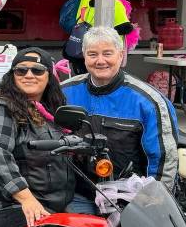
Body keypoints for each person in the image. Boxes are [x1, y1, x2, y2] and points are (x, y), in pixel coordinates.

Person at [62, 26, 179, 211]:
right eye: (92, 54)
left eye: (107, 53)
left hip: (129, 198)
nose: (100, 61)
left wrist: (154, 203)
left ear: (120, 55)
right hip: (78, 194)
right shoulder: (63, 92)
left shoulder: (149, 102)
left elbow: (163, 160)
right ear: (84, 56)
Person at [0, 48, 75, 227]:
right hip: (9, 206)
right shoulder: (0, 108)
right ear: (12, 76)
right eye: (21, 70)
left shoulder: (52, 110)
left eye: (37, 70)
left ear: (49, 77)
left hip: (54, 202)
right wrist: (26, 198)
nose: (29, 75)